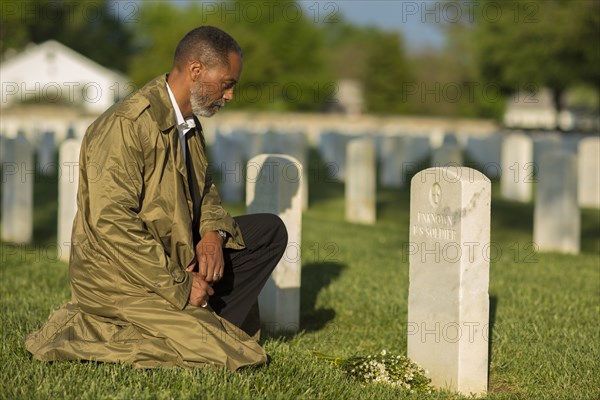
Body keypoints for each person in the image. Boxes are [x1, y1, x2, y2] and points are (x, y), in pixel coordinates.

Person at [25, 26, 288, 370]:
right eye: (227, 84)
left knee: (269, 232)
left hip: (173, 254)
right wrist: (181, 284)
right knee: (240, 356)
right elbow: (112, 223)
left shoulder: (189, 123)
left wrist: (213, 234)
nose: (229, 96)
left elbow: (204, 189)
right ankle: (100, 329)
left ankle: (201, 320)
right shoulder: (125, 125)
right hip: (120, 279)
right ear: (196, 71)